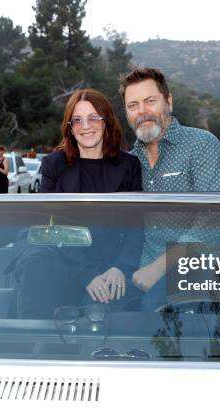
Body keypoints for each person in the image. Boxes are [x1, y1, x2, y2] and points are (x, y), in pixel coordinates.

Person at [15, 88, 143, 318]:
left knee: (103, 310)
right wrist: (85, 274)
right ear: (70, 127)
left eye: (93, 118)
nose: (86, 126)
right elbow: (48, 227)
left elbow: (136, 225)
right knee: (39, 273)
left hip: (108, 263)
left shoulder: (129, 166)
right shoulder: (54, 165)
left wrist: (121, 267)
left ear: (107, 121)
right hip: (62, 259)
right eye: (77, 120)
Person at [118, 67, 220, 310]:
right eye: (133, 105)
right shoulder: (130, 162)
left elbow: (215, 219)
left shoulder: (201, 145)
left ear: (168, 102)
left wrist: (159, 267)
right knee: (101, 308)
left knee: (154, 310)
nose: (142, 112)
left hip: (201, 266)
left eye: (150, 101)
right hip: (143, 269)